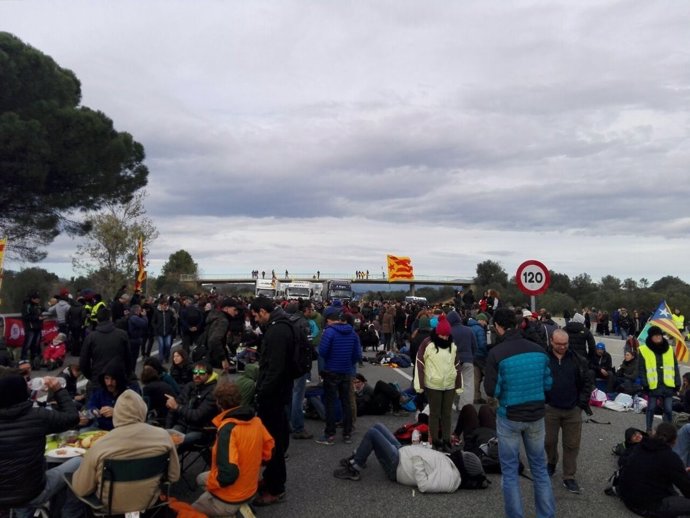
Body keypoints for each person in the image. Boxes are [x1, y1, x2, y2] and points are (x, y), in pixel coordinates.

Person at [484, 307, 555, 518]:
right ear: (517, 324)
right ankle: (546, 515)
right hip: (536, 415)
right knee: (540, 469)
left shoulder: (496, 353)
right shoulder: (539, 350)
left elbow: (491, 389)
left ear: (498, 327)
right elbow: (548, 383)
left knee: (510, 471)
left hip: (510, 416)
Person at [70, 389, 180, 514]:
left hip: (110, 509)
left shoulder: (101, 444)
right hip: (149, 505)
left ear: (116, 413)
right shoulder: (163, 436)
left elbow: (81, 489)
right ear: (143, 410)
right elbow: (174, 476)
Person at [0, 372, 84, 517]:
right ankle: (70, 513)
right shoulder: (38, 416)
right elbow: (72, 417)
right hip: (33, 491)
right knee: (80, 461)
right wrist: (58, 389)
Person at [191, 382, 275, 516]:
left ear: (218, 403)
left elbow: (228, 476)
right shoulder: (256, 421)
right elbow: (268, 452)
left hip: (233, 496)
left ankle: (227, 509)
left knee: (190, 510)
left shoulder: (228, 430)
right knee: (201, 478)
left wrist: (214, 484)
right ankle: (235, 505)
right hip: (251, 487)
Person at [333, 423, 485, 492]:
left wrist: (418, 458)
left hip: (398, 466)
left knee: (373, 434)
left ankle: (355, 467)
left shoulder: (451, 480)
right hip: (404, 452)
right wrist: (419, 447)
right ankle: (358, 456)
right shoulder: (452, 466)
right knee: (378, 426)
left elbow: (424, 486)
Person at [250, 297, 293, 506]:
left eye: (256, 315)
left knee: (272, 441)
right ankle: (271, 480)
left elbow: (274, 368)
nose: (256, 320)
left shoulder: (277, 331)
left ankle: (276, 488)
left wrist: (262, 392)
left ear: (262, 311)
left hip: (273, 395)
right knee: (278, 438)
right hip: (281, 392)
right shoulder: (282, 324)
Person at [544, 329, 593, 494]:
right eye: (559, 344)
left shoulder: (578, 360)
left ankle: (569, 476)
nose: (562, 347)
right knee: (548, 441)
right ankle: (551, 462)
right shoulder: (543, 359)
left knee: (572, 445)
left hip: (573, 409)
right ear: (551, 341)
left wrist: (581, 404)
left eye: (565, 344)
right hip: (550, 409)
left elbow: (587, 382)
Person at [618, 422, 690, 517]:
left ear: (654, 433)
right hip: (646, 505)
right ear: (674, 440)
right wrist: (681, 473)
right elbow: (686, 489)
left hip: (627, 496)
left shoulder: (640, 446)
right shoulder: (670, 458)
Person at [414, 313, 462, 452]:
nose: (445, 337)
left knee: (447, 414)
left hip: (449, 385)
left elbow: (457, 365)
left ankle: (447, 440)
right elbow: (419, 363)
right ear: (438, 333)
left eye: (447, 335)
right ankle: (435, 440)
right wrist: (420, 385)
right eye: (443, 335)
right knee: (434, 413)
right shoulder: (427, 344)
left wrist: (459, 385)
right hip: (433, 385)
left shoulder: (452, 346)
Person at [316, 305, 362, 446]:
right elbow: (357, 355)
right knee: (346, 402)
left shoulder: (329, 332)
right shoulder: (352, 333)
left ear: (329, 320)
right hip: (346, 371)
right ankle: (347, 434)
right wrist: (347, 362)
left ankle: (329, 434)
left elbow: (322, 352)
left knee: (330, 403)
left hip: (331, 371)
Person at [165, 359, 219, 451]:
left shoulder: (213, 392)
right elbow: (173, 410)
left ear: (209, 375)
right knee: (163, 439)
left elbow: (197, 416)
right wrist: (167, 429)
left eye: (201, 372)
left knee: (171, 443)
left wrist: (177, 407)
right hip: (182, 425)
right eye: (195, 372)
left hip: (201, 430)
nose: (197, 375)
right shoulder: (190, 386)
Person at [639, 325, 681, 433]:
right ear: (651, 337)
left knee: (668, 409)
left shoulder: (669, 349)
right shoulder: (644, 350)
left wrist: (678, 382)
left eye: (660, 335)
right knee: (651, 408)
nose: (658, 338)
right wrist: (645, 384)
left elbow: (675, 367)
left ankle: (669, 430)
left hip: (668, 384)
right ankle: (648, 429)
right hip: (653, 385)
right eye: (656, 336)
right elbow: (642, 369)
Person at [80, 307, 132, 385]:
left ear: (97, 320)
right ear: (110, 318)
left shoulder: (91, 337)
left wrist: (92, 376)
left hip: (98, 377)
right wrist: (126, 375)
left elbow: (83, 362)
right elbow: (128, 358)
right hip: (118, 377)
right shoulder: (122, 334)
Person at [86, 359, 142, 430]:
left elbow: (137, 415)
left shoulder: (129, 393)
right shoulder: (100, 391)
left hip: (123, 429)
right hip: (101, 428)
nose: (109, 383)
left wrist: (117, 412)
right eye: (107, 378)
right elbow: (90, 405)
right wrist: (94, 411)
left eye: (113, 379)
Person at [447, 310, 478, 409]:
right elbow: (475, 346)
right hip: (468, 360)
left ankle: (448, 404)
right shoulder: (469, 330)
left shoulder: (449, 332)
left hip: (453, 361)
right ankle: (466, 407)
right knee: (468, 384)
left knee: (450, 383)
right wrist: (471, 356)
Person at [468, 312, 489, 404]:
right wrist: (487, 354)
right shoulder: (480, 330)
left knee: (476, 377)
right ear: (481, 320)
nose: (486, 324)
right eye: (485, 321)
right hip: (480, 356)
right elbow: (482, 344)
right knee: (488, 375)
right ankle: (491, 398)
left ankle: (476, 397)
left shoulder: (469, 328)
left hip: (472, 355)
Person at [20, 291, 44, 363]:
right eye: (37, 298)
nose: (38, 300)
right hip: (30, 327)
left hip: (37, 327)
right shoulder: (27, 305)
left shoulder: (37, 305)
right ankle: (23, 358)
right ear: (32, 299)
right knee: (27, 343)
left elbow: (41, 310)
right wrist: (37, 318)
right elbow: (25, 316)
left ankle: (34, 358)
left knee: (36, 343)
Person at [152, 297, 176, 364]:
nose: (165, 306)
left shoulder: (170, 312)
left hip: (168, 332)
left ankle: (166, 356)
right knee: (161, 345)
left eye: (166, 305)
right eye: (164, 305)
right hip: (159, 332)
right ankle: (161, 359)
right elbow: (153, 321)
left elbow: (173, 321)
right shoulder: (156, 312)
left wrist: (171, 327)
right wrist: (156, 328)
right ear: (161, 304)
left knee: (168, 345)